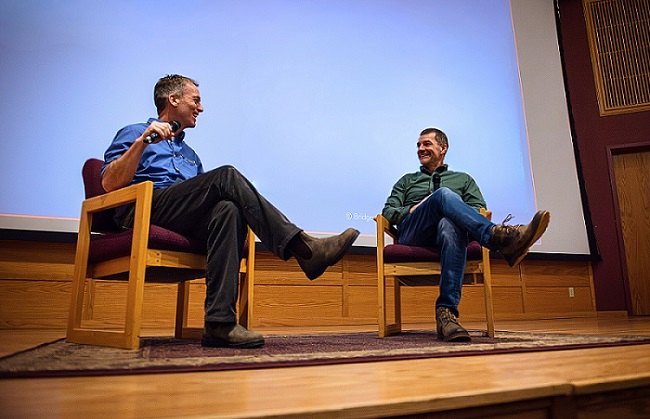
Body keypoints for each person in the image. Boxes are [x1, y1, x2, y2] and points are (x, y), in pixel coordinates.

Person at [102, 74, 359, 349]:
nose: (201, 108)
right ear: (173, 99)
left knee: (228, 210)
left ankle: (219, 324)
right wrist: (142, 142)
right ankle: (304, 248)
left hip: (178, 216)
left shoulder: (190, 154)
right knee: (226, 175)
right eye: (196, 100)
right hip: (143, 211)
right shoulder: (134, 132)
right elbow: (108, 183)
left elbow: (201, 200)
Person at [382, 128, 550, 342]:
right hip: (414, 233)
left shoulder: (463, 179)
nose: (421, 149)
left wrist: (452, 210)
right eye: (418, 145)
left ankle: (446, 315)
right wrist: (414, 209)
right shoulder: (406, 181)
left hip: (446, 235)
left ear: (443, 148)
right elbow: (388, 212)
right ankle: (497, 237)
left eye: (426, 144)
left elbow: (478, 209)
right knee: (443, 195)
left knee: (450, 226)